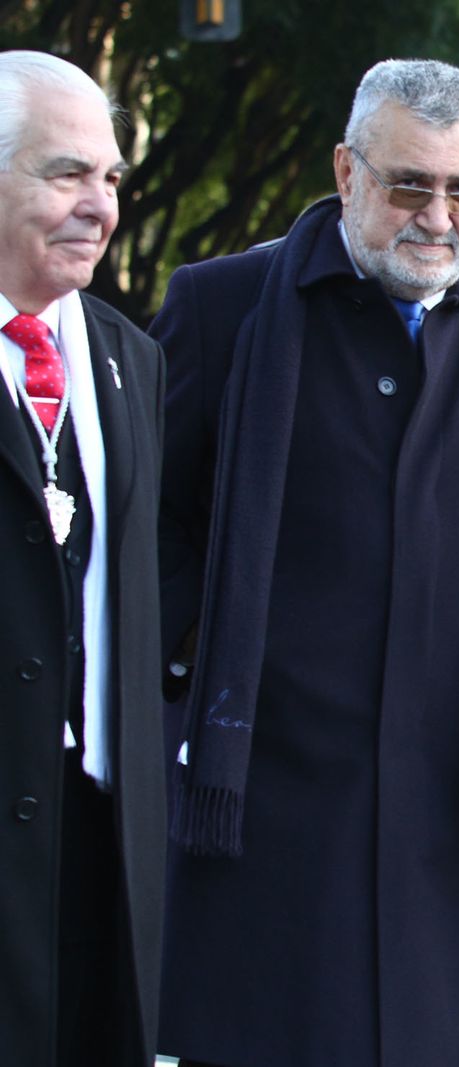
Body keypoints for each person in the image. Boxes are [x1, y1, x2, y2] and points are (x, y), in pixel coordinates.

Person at [153, 59, 459, 1067]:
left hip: (457, 830)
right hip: (265, 814)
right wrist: (200, 661)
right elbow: (156, 523)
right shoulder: (222, 307)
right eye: (410, 183)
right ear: (347, 172)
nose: (438, 215)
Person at [0, 50, 166, 1067]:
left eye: (109, 178)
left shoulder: (130, 358)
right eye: (66, 174)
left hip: (101, 857)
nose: (99, 207)